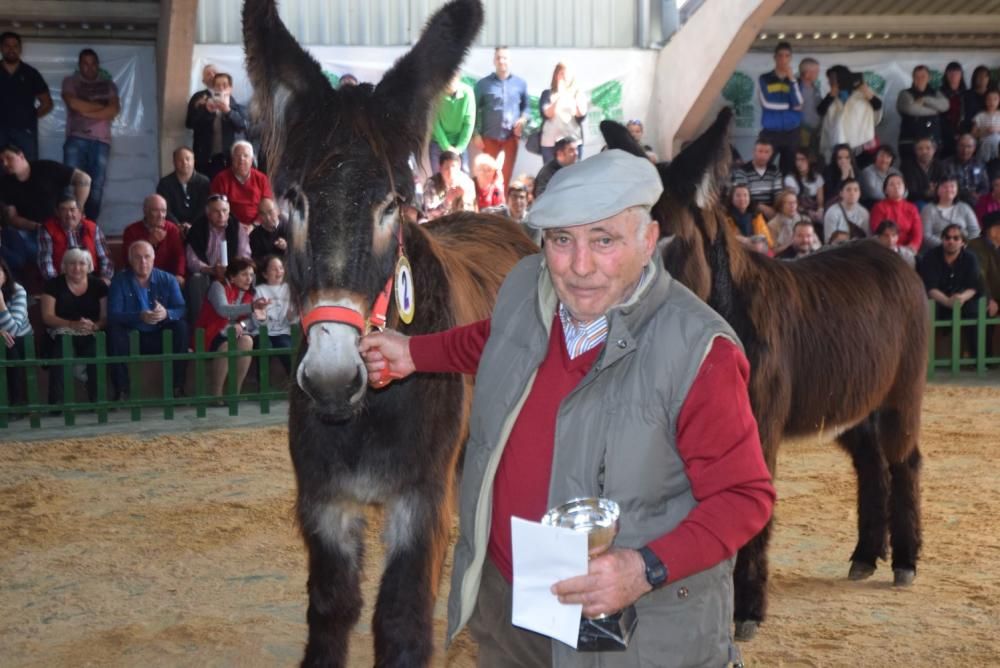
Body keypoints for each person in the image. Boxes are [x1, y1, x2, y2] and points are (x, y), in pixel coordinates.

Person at [359, 149, 775, 667]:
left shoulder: (699, 351)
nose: (580, 266)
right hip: (512, 597)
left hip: (629, 622)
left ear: (648, 242)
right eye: (561, 240)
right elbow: (495, 336)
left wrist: (644, 568)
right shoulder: (527, 287)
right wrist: (413, 354)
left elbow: (745, 496)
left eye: (604, 241)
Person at [107, 241, 188, 400]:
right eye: (137, 258)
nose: (143, 262)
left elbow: (181, 308)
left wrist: (166, 313)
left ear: (154, 258)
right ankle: (121, 390)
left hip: (159, 334)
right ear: (130, 260)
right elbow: (113, 314)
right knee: (113, 331)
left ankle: (177, 388)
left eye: (147, 257)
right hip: (131, 335)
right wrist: (139, 315)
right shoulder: (119, 280)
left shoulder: (169, 279)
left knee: (181, 327)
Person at [1, 144, 90, 279]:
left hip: (60, 227)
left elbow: (83, 178)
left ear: (21, 155)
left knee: (79, 240)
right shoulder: (5, 184)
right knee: (13, 240)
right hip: (31, 233)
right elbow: (12, 218)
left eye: (9, 158)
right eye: (2, 162)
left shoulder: (46, 168)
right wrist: (38, 227)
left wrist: (79, 208)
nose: (5, 164)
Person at [192, 256, 268, 398]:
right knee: (226, 346)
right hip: (212, 333)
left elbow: (252, 322)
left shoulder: (250, 293)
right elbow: (223, 310)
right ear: (232, 277)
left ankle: (235, 392)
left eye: (251, 275)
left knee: (248, 341)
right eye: (244, 274)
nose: (249, 279)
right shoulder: (218, 286)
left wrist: (243, 323)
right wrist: (251, 307)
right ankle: (216, 393)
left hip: (234, 334)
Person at [40, 247, 107, 404]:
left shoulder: (99, 286)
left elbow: (106, 317)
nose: (77, 268)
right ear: (64, 266)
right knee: (61, 351)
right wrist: (72, 324)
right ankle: (56, 403)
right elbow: (47, 317)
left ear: (89, 266)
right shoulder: (52, 285)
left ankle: (97, 400)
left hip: (90, 330)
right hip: (62, 330)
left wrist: (95, 326)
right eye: (72, 263)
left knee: (95, 352)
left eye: (82, 263)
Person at [61, 48, 120, 221]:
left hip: (101, 142)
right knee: (71, 185)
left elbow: (114, 110)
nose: (89, 67)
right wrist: (102, 109)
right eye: (85, 64)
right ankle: (70, 225)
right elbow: (73, 103)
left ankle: (88, 225)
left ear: (98, 65)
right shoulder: (70, 81)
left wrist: (85, 110)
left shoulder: (109, 85)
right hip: (76, 139)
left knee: (96, 188)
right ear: (79, 66)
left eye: (93, 63)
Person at [184, 193, 251, 322]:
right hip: (208, 272)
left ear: (229, 211)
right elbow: (192, 260)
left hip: (232, 273)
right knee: (196, 279)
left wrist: (231, 270)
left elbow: (244, 255)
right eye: (216, 211)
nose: (221, 215)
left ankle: (242, 324)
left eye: (224, 211)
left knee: (248, 276)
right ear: (208, 214)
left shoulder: (236, 227)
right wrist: (212, 270)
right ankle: (200, 325)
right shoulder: (197, 228)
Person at [919, 224, 983, 354]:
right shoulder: (931, 256)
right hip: (937, 299)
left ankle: (976, 357)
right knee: (927, 311)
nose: (951, 241)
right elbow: (930, 287)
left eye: (956, 238)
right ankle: (926, 356)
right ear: (942, 240)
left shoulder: (970, 258)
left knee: (975, 311)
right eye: (947, 238)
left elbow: (974, 285)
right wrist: (947, 301)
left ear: (963, 242)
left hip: (962, 298)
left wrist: (961, 298)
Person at [473, 47, 529, 188]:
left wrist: (523, 120)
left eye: (504, 58)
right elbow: (472, 110)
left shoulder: (520, 84)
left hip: (511, 139)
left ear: (509, 61)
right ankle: (488, 209)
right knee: (488, 176)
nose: (501, 61)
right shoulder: (483, 85)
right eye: (498, 57)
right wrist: (475, 134)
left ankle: (501, 208)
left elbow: (527, 109)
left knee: (505, 176)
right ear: (494, 61)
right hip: (489, 139)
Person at [37, 191, 114, 283]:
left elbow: (105, 258)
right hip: (62, 279)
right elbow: (45, 262)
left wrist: (104, 278)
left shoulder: (92, 228)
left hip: (92, 278)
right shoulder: (47, 229)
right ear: (57, 213)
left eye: (72, 209)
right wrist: (57, 284)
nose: (69, 214)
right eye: (63, 210)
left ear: (80, 212)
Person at [1, 31, 54, 161]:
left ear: (20, 49)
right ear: (1, 47)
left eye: (15, 46)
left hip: (24, 132)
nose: (11, 49)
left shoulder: (31, 73)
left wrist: (29, 117)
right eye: (7, 45)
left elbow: (47, 103)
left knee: (28, 170)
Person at [186, 72, 248, 179]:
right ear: (213, 88)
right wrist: (207, 111)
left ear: (230, 88)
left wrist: (228, 111)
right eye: (217, 85)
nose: (221, 88)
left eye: (224, 85)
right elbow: (191, 124)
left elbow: (243, 126)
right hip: (208, 160)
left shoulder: (238, 108)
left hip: (231, 160)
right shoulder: (204, 107)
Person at [817, 65, 883, 162]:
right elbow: (820, 110)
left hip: (861, 143)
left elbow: (878, 106)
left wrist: (865, 89)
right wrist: (831, 94)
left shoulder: (862, 94)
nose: (830, 82)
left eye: (833, 79)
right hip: (838, 145)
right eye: (830, 79)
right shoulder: (831, 98)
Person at [757, 41, 802, 174]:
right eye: (780, 55)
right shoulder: (765, 78)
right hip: (770, 132)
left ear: (791, 58)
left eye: (787, 56)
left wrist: (792, 80)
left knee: (788, 170)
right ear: (775, 57)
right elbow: (766, 103)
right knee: (763, 167)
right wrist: (790, 106)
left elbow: (799, 102)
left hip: (792, 131)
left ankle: (785, 194)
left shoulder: (795, 80)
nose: (783, 59)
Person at [121, 194, 187, 285]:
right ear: (145, 211)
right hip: (140, 277)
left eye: (163, 211)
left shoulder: (172, 229)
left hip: (167, 278)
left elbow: (180, 255)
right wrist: (149, 243)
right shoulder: (131, 231)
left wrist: (180, 274)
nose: (161, 215)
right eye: (155, 210)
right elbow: (128, 260)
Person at [209, 141, 274, 227]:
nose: (241, 159)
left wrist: (254, 225)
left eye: (245, 156)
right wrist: (237, 227)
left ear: (251, 160)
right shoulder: (221, 179)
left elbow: (267, 207)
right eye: (237, 156)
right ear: (232, 159)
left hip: (257, 225)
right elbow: (216, 207)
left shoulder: (261, 178)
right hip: (229, 225)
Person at [896, 65, 949, 163]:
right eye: (917, 77)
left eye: (923, 76)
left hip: (934, 145)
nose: (920, 79)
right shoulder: (905, 94)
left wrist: (925, 100)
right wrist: (935, 110)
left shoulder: (936, 93)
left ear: (929, 78)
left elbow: (945, 106)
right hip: (910, 145)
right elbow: (910, 109)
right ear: (913, 78)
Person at [253, 254, 296, 375]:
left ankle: (292, 384)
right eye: (274, 269)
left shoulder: (288, 289)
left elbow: (292, 318)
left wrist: (291, 316)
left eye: (281, 268)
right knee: (265, 347)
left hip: (282, 332)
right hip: (263, 332)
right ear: (265, 274)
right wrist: (263, 318)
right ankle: (262, 386)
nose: (279, 271)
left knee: (287, 349)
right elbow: (257, 320)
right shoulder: (259, 290)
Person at [539, 62, 588, 164]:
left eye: (567, 73)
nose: (564, 76)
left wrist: (575, 96)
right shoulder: (547, 94)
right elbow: (547, 114)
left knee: (573, 174)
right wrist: (560, 95)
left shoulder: (577, 93)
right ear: (556, 75)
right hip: (550, 144)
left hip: (573, 143)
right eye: (561, 73)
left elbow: (581, 115)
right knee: (551, 175)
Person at [0, 256, 32, 409]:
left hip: (21, 340)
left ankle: (17, 403)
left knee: (10, 347)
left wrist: (1, 304)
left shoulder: (18, 290)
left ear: (5, 274)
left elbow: (14, 330)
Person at [156, 146, 210, 236]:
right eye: (180, 160)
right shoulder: (165, 183)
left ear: (194, 161)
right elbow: (165, 209)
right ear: (174, 162)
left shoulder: (204, 182)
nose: (184, 163)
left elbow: (204, 207)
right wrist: (178, 226)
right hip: (172, 228)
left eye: (188, 159)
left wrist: (191, 225)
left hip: (199, 228)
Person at [430, 73, 476, 172]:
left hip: (459, 142)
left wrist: (459, 149)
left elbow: (469, 123)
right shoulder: (435, 93)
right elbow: (434, 122)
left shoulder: (468, 93)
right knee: (437, 178)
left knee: (464, 174)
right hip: (438, 142)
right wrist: (446, 146)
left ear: (458, 78)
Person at [921, 176, 980, 252]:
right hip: (937, 251)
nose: (949, 189)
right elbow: (926, 235)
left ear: (957, 189)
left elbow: (975, 231)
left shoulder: (964, 207)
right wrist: (949, 245)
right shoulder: (928, 209)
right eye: (944, 186)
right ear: (937, 189)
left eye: (952, 186)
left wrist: (964, 245)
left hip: (964, 250)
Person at [870, 174, 922, 253]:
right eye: (891, 184)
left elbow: (918, 233)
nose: (896, 186)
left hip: (908, 250)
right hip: (886, 249)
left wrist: (912, 247)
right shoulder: (879, 207)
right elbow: (878, 231)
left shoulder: (912, 208)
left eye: (899, 183)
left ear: (904, 188)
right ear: (885, 190)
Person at [732, 139, 783, 218]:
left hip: (772, 211)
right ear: (754, 152)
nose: (763, 156)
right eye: (760, 151)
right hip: (750, 211)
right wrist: (762, 208)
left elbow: (778, 194)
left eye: (766, 152)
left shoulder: (775, 171)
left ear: (771, 154)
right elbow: (743, 196)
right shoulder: (742, 171)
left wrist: (776, 210)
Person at [423, 150, 477, 219]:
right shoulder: (432, 184)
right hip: (440, 225)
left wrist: (464, 198)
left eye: (453, 167)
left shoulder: (467, 183)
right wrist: (447, 202)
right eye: (446, 168)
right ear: (440, 169)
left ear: (459, 168)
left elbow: (472, 212)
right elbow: (429, 214)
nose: (451, 172)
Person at [968, 211, 1000, 320]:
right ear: (992, 230)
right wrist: (988, 299)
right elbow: (979, 276)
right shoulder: (976, 246)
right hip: (979, 297)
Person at [901, 137, 948, 209]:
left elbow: (945, 182)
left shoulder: (940, 165)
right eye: (920, 149)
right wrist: (926, 193)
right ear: (915, 151)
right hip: (917, 201)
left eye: (928, 148)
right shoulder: (908, 167)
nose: (924, 151)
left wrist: (936, 190)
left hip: (938, 198)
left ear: (934, 150)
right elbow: (911, 192)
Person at [945, 133, 990, 207]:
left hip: (976, 201)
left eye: (969, 147)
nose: (965, 150)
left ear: (974, 148)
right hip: (954, 201)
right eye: (962, 146)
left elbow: (985, 186)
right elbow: (945, 187)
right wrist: (968, 194)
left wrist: (979, 195)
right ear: (957, 146)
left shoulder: (979, 164)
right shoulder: (946, 164)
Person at [768, 189, 818, 253]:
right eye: (789, 203)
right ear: (781, 206)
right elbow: (772, 252)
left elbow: (816, 243)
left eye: (794, 202)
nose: (793, 206)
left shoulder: (805, 219)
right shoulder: (772, 225)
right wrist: (791, 244)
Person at [784, 148, 824, 225]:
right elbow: (791, 201)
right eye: (797, 160)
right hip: (798, 212)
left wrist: (820, 211)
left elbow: (820, 201)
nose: (799, 163)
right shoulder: (790, 179)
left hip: (815, 212)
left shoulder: (817, 177)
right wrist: (807, 212)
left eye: (803, 159)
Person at [725, 183, 773, 247]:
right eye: (738, 195)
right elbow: (727, 238)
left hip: (757, 250)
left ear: (749, 198)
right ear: (732, 199)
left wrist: (751, 241)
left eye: (745, 195)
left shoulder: (756, 216)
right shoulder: (725, 217)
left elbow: (767, 240)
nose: (742, 199)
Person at [823, 178, 870, 242]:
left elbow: (868, 237)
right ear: (841, 193)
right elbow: (828, 240)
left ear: (860, 193)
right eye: (848, 190)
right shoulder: (832, 212)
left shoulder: (864, 213)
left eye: (856, 190)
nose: (852, 193)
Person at [858, 145, 902, 210]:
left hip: (893, 201)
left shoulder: (896, 172)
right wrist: (894, 195)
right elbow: (873, 193)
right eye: (881, 156)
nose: (884, 160)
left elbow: (905, 190)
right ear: (875, 157)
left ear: (892, 159)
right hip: (873, 203)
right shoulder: (867, 172)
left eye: (888, 157)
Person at [249, 197, 287, 268]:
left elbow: (298, 252)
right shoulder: (255, 235)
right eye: (263, 214)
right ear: (259, 216)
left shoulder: (287, 226)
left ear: (277, 211)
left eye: (270, 212)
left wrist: (286, 247)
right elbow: (256, 261)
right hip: (268, 272)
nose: (268, 218)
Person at [938, 62, 966, 159]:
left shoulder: (966, 94)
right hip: (944, 136)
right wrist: (951, 134)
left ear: (961, 75)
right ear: (946, 75)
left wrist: (962, 134)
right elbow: (938, 116)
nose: (953, 76)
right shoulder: (939, 93)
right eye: (950, 73)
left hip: (964, 135)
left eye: (957, 73)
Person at [797, 57, 821, 154]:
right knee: (802, 156)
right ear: (807, 73)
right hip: (802, 131)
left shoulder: (815, 88)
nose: (818, 74)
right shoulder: (796, 88)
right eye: (816, 71)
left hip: (816, 131)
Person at [972, 89, 1000, 163]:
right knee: (988, 141)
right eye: (989, 99)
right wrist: (985, 131)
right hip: (984, 143)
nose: (992, 102)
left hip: (998, 144)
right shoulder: (980, 116)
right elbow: (973, 134)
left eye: (995, 99)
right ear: (985, 101)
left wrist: (997, 129)